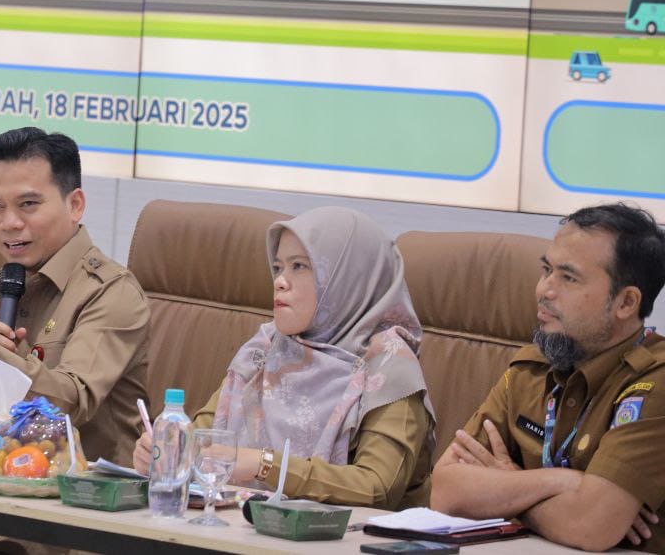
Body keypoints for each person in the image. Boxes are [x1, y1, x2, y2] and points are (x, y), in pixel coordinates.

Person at [131, 206, 436, 509]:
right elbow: (205, 438)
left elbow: (376, 487)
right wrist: (169, 452)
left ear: (348, 278)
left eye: (299, 266)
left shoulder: (390, 365)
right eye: (278, 267)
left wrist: (265, 465)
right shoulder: (266, 347)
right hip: (240, 526)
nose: (279, 281)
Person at [431, 203, 665, 552]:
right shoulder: (532, 367)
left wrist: (508, 486)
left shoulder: (653, 382)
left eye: (568, 278)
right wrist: (563, 482)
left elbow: (589, 526)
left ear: (626, 303)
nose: (544, 290)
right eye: (546, 270)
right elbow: (447, 491)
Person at [0, 127, 149, 467]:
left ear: (75, 205)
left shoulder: (110, 292)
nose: (9, 223)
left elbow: (70, 404)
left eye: (28, 204)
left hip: (84, 489)